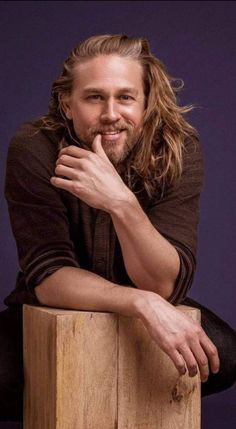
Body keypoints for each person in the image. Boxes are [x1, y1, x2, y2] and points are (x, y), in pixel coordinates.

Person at [1, 34, 236, 423]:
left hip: (149, 295)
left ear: (145, 102)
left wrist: (120, 202)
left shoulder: (180, 149)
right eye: (94, 97)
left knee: (223, 356)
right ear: (67, 104)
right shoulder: (34, 147)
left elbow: (163, 284)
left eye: (126, 97)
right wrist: (140, 303)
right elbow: (48, 274)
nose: (112, 113)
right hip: (57, 305)